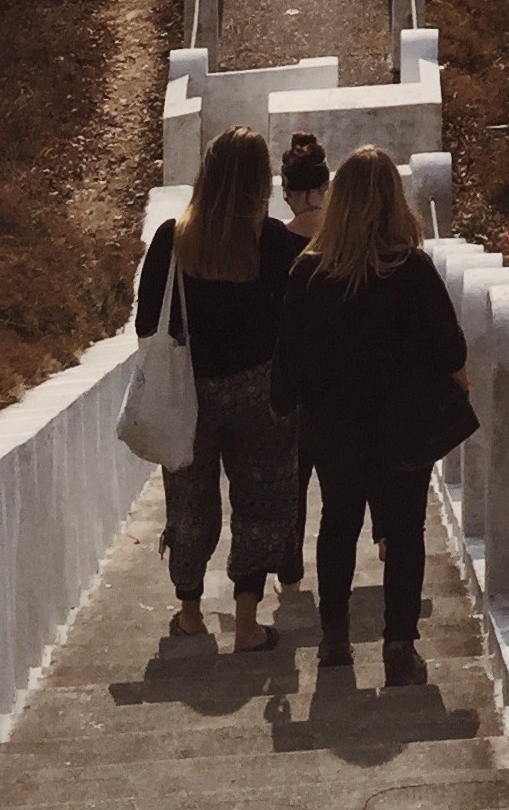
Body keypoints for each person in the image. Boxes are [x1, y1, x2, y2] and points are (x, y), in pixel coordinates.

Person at [271, 145, 468, 685]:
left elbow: (287, 356)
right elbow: (452, 351)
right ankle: (399, 647)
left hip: (332, 429)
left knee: (338, 524)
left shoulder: (307, 273)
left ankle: (334, 641)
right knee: (404, 532)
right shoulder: (413, 270)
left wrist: (285, 404)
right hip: (403, 426)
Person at [135, 125, 305, 652]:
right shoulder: (274, 241)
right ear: (260, 180)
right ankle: (248, 622)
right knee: (260, 499)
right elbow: (295, 323)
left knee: (188, 502)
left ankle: (190, 613)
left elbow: (146, 323)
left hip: (189, 393)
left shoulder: (173, 237)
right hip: (260, 391)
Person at [275, 131, 331, 597]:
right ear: (326, 186)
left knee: (290, 485)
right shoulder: (345, 238)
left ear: (287, 191)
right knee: (344, 484)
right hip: (342, 380)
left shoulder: (275, 244)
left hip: (293, 383)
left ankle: (290, 577)